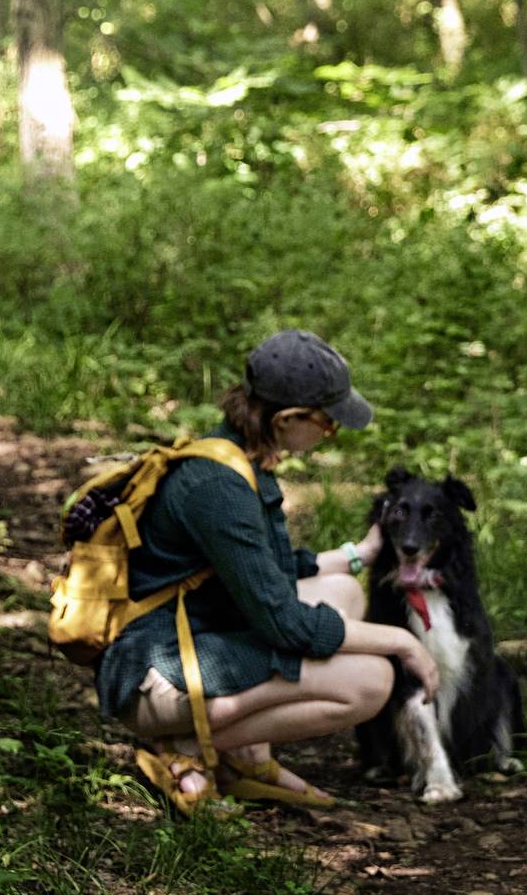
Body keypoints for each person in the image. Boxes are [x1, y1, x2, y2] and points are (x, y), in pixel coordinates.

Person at [99, 330, 438, 814]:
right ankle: (187, 748)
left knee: (341, 590)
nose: (330, 434)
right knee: (370, 680)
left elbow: (273, 571)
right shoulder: (219, 486)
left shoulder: (240, 459)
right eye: (328, 423)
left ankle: (242, 752)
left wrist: (360, 553)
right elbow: (283, 622)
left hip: (196, 638)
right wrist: (403, 642)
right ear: (288, 419)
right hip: (153, 675)